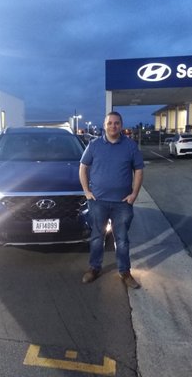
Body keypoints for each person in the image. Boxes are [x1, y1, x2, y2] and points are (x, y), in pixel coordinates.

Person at [79, 111, 144, 288]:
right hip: (98, 201)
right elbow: (83, 167)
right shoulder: (94, 145)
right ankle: (94, 268)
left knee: (122, 239)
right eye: (110, 123)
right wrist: (87, 191)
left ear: (121, 125)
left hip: (122, 203)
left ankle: (124, 272)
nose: (113, 126)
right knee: (97, 237)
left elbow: (139, 170)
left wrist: (134, 195)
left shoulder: (130, 146)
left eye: (116, 123)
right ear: (104, 125)